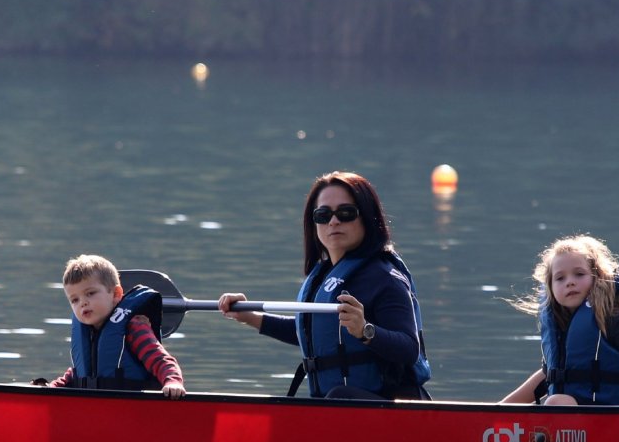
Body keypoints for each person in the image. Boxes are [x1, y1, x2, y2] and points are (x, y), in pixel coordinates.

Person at [218, 171, 431, 400]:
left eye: (346, 213)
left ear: (368, 217)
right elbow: (312, 330)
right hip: (333, 407)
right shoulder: (322, 276)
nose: (333, 221)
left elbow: (409, 349)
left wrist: (365, 331)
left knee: (340, 396)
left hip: (388, 410)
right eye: (323, 215)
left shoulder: (386, 278)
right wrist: (250, 316)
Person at [502, 235, 619, 406]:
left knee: (556, 402)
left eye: (579, 274)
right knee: (553, 403)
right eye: (560, 278)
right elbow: (547, 376)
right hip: (572, 424)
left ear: (596, 276)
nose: (570, 282)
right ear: (550, 287)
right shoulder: (561, 328)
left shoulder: (616, 319)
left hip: (614, 422)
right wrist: (497, 412)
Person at [44, 254, 186, 396]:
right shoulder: (89, 332)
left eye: (91, 293)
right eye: (75, 300)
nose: (83, 303)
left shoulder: (133, 328)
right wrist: (52, 387)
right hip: (96, 410)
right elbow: (75, 374)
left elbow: (160, 360)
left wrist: (172, 381)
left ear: (116, 294)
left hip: (134, 408)